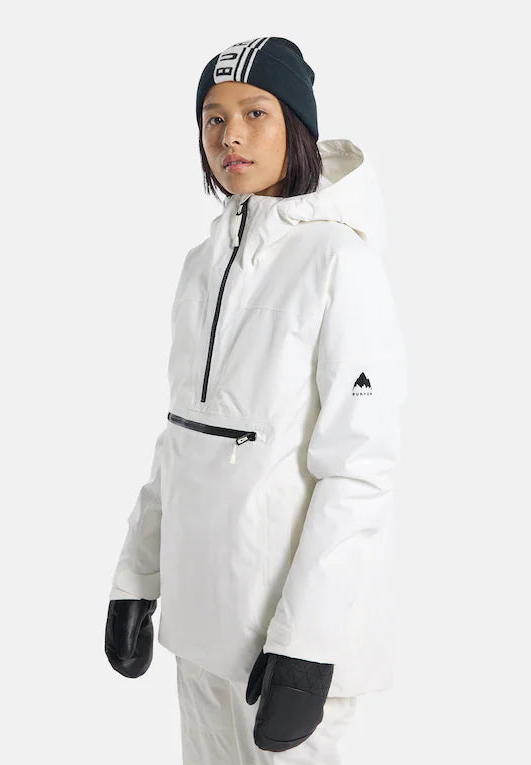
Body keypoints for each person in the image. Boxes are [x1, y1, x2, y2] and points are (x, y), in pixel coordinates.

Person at [105, 36, 408, 764]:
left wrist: (308, 643)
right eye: (213, 118)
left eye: (254, 113)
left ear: (296, 125)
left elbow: (359, 469)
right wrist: (136, 575)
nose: (230, 135)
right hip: (200, 629)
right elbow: (182, 436)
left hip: (288, 647)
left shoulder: (341, 261)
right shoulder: (201, 265)